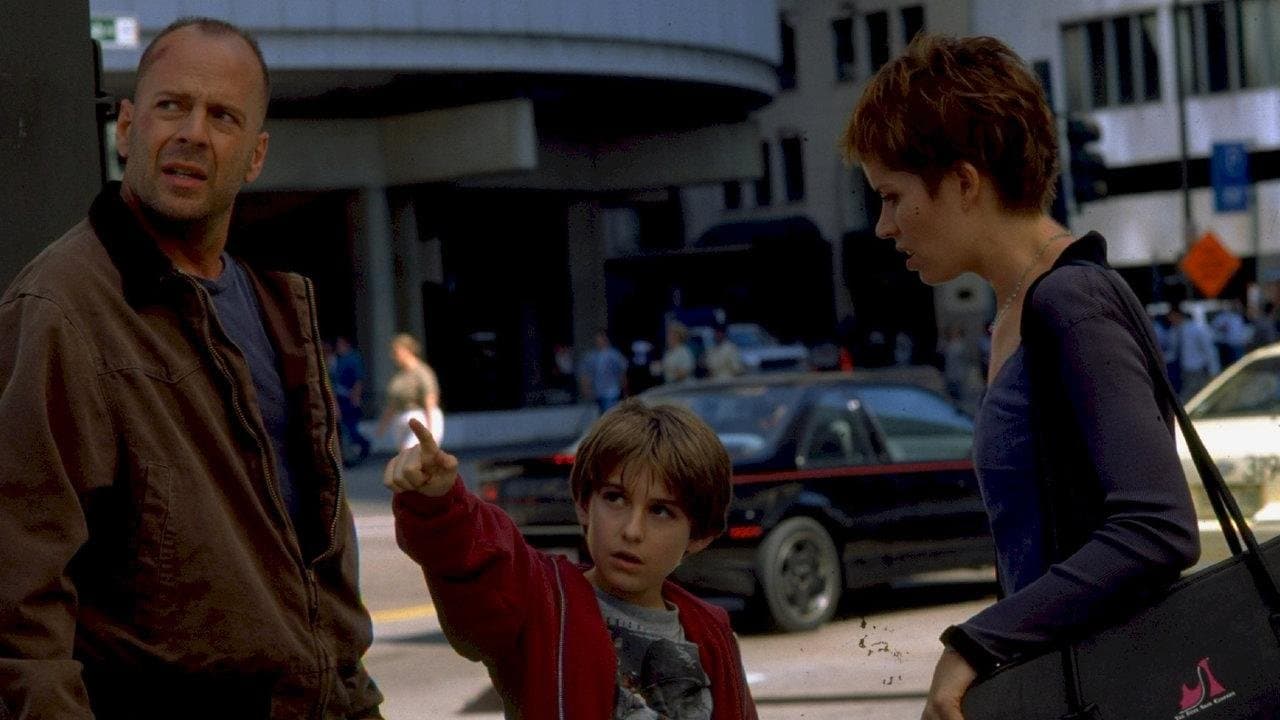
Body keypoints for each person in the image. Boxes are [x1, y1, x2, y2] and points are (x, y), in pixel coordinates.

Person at [0, 18, 382, 718]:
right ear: (126, 128)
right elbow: (19, 603)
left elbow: (316, 579)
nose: (193, 134)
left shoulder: (278, 309)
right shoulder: (62, 308)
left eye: (223, 116)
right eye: (172, 106)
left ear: (255, 156)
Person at [842, 33, 1199, 720]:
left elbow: (1158, 527)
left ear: (964, 182)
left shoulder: (1072, 300)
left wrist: (976, 644)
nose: (884, 226)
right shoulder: (1019, 308)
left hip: (1114, 690)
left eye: (891, 196)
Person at [385, 400, 758, 719]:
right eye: (615, 498)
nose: (632, 531)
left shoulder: (711, 633)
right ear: (583, 505)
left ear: (698, 536)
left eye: (661, 511)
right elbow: (482, 558)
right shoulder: (544, 602)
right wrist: (440, 503)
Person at [377, 332, 444, 449]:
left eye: (396, 352)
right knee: (406, 455)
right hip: (402, 420)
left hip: (421, 417)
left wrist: (430, 429)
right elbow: (392, 404)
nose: (393, 356)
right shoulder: (399, 376)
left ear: (407, 350)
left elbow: (430, 400)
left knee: (414, 453)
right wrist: (382, 427)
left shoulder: (422, 372)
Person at [331, 334, 372, 465]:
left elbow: (358, 380)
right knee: (345, 428)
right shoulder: (338, 359)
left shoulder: (353, 359)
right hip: (340, 398)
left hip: (349, 398)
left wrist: (356, 397)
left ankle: (364, 445)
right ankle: (348, 455)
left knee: (351, 428)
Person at [1168, 307, 1220, 400]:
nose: (1171, 321)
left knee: (1196, 394)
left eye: (1172, 317)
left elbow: (1209, 350)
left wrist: (1214, 370)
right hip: (1183, 369)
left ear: (1179, 316)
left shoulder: (1196, 328)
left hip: (1197, 368)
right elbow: (1173, 351)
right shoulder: (1174, 332)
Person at [579, 328, 629, 413]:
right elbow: (585, 373)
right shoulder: (591, 356)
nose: (598, 341)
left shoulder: (615, 355)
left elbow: (622, 372)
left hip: (612, 391)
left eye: (600, 338)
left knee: (609, 413)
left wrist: (624, 389)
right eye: (597, 339)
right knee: (601, 414)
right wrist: (586, 388)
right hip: (598, 391)